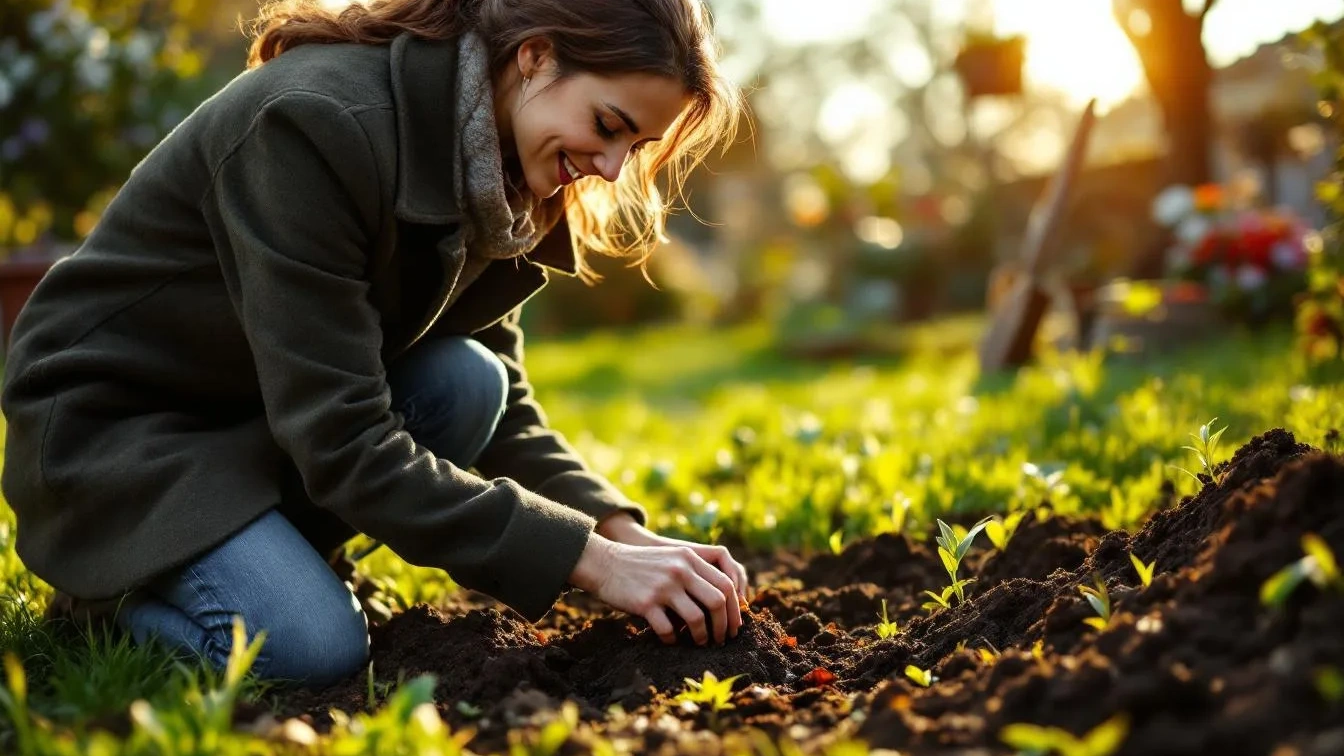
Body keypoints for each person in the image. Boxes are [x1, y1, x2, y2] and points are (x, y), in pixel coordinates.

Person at [0, 0, 749, 688]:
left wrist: (620, 534)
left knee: (468, 382)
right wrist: (588, 562)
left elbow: (506, 406)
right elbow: (342, 436)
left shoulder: (499, 167)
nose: (613, 168)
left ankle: (259, 560)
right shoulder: (318, 125)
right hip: (118, 437)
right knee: (310, 654)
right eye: (610, 125)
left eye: (637, 144)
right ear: (536, 56)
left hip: (250, 417)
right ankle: (110, 599)